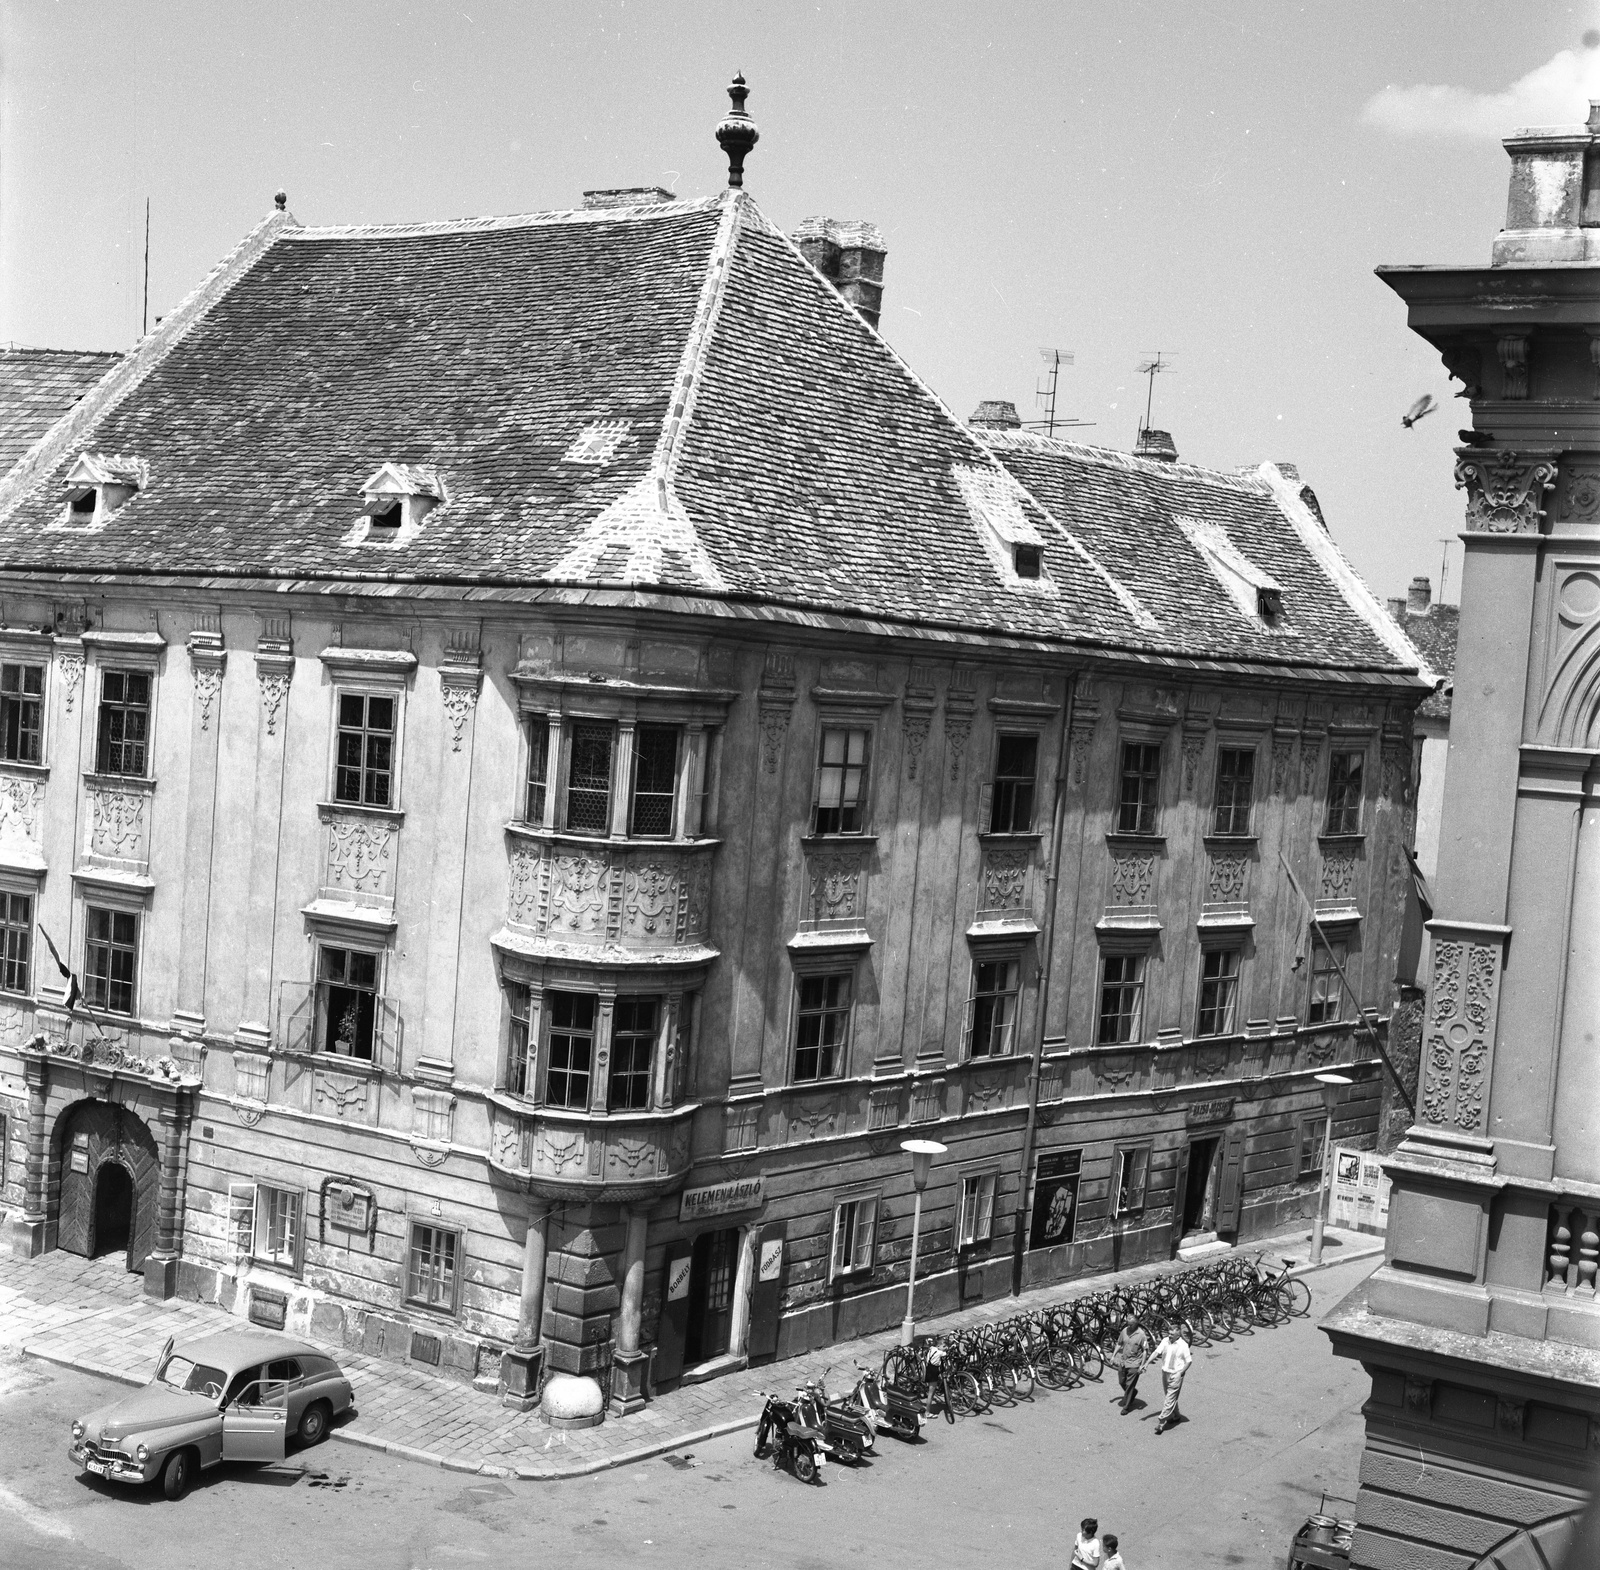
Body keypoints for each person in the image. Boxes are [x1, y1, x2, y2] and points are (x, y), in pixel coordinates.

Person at [1147, 1321, 1193, 1435]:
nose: (1169, 1335)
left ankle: (1161, 1422)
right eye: (1169, 1333)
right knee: (1170, 1396)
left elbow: (1188, 1361)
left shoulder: (1183, 1345)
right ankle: (1176, 1415)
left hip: (1176, 1374)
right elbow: (1156, 1352)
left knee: (1169, 1398)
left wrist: (1180, 1373)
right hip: (1165, 1373)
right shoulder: (1165, 1341)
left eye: (1172, 1334)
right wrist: (1147, 1363)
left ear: (1178, 1334)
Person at [1110, 1317, 1151, 1415]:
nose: (1128, 1326)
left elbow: (1145, 1351)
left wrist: (1142, 1365)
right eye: (1127, 1324)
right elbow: (1119, 1344)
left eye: (1130, 1324)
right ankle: (1133, 1392)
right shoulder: (1124, 1331)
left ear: (1136, 1324)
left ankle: (1126, 1407)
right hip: (1124, 1362)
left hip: (1134, 1363)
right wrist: (1113, 1356)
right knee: (1121, 1381)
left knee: (1129, 1385)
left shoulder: (1141, 1335)